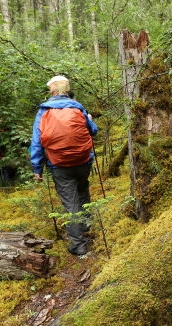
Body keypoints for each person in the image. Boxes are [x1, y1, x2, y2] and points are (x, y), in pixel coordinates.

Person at [30, 75, 98, 256]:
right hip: (83, 161)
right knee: (83, 191)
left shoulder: (44, 111)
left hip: (59, 164)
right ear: (67, 89)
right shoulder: (78, 107)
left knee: (71, 203)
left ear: (51, 90)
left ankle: (78, 245)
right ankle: (85, 227)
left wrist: (37, 168)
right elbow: (93, 131)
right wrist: (89, 118)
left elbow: (37, 142)